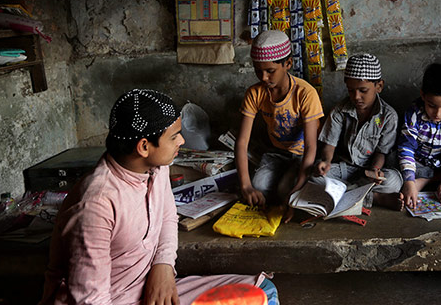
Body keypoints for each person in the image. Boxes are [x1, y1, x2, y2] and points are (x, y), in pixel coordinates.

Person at [39, 89, 278, 305]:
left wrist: (162, 266)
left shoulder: (155, 166)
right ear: (144, 147)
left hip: (152, 289)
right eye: (174, 137)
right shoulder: (97, 204)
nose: (182, 141)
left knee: (263, 292)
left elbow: (167, 216)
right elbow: (91, 300)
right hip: (112, 300)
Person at [234, 30, 323, 214]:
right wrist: (246, 185)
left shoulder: (305, 94)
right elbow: (242, 142)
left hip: (302, 157)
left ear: (288, 64)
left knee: (286, 190)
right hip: (276, 154)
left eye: (270, 71)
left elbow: (311, 147)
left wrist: (297, 189)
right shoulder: (255, 93)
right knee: (258, 185)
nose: (264, 77)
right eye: (258, 71)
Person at [315, 53, 403, 210]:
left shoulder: (388, 116)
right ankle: (373, 198)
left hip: (370, 171)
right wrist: (326, 162)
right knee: (314, 177)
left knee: (394, 181)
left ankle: (342, 193)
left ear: (379, 86)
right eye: (351, 90)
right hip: (344, 169)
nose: (356, 97)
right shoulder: (339, 111)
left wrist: (375, 171)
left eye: (363, 90)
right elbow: (330, 144)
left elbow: (381, 153)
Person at [398, 63, 441, 209]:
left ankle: (437, 180)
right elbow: (406, 147)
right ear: (423, 95)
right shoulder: (414, 112)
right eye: (431, 105)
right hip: (418, 164)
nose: (437, 114)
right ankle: (429, 180)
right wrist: (410, 181)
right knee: (394, 160)